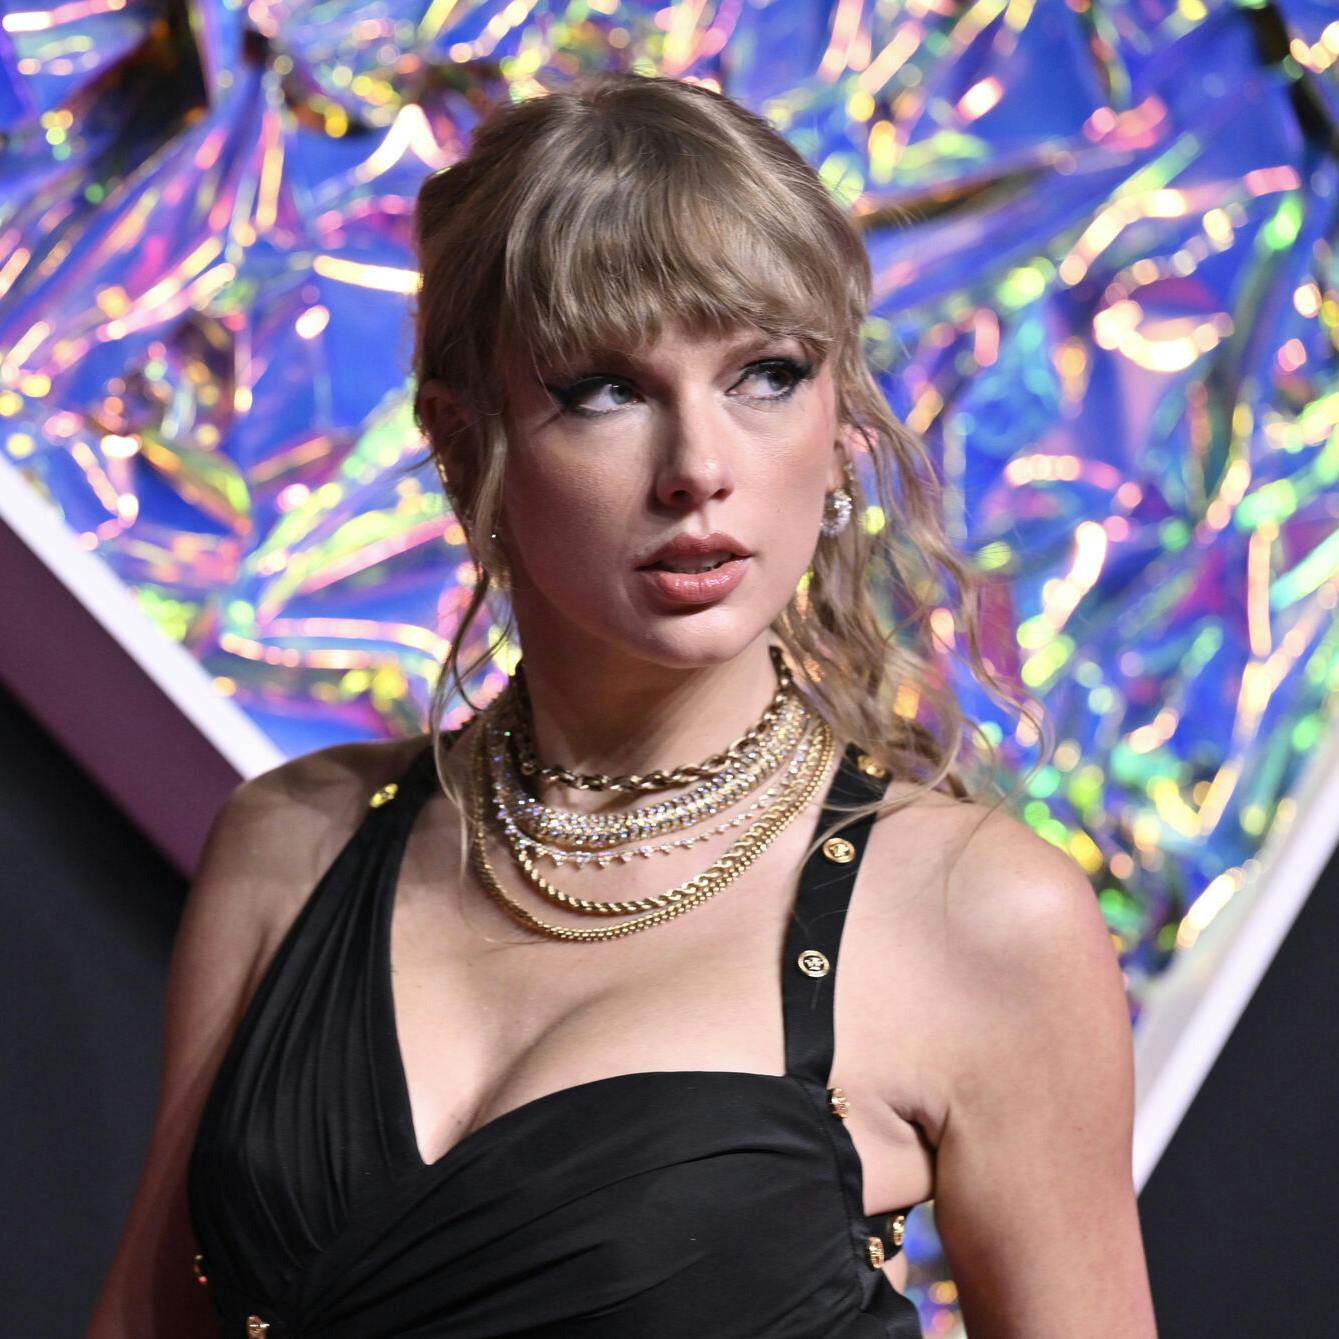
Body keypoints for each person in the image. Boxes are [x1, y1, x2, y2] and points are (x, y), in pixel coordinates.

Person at [89, 72, 1157, 1338]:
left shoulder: (977, 914)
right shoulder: (292, 843)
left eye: (765, 373)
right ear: (462, 438)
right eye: (606, 389)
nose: (700, 470)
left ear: (837, 426)